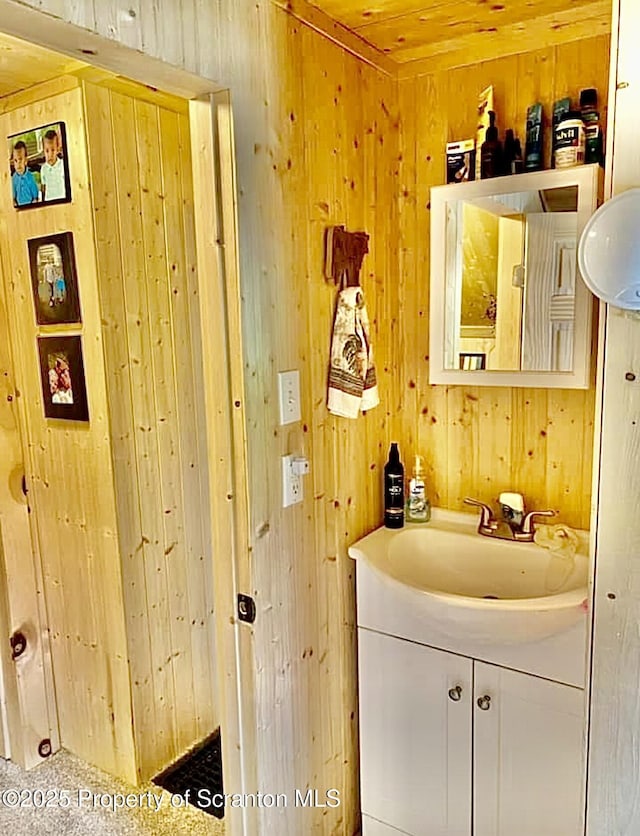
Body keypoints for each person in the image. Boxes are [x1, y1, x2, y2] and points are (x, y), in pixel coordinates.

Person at [40, 129, 67, 202]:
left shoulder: (62, 165)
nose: (50, 155)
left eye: (53, 150)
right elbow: (43, 188)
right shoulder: (43, 168)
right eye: (47, 151)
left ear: (57, 149)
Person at [11, 140, 39, 206]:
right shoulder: (14, 178)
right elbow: (13, 197)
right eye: (15, 160)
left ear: (25, 161)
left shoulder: (30, 177)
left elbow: (35, 197)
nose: (18, 164)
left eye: (20, 159)